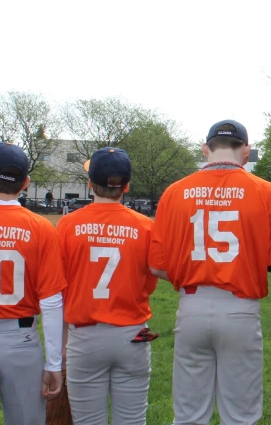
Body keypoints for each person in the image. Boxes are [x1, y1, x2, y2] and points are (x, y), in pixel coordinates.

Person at [148, 120, 271, 425]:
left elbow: (156, 266)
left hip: (191, 305)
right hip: (240, 307)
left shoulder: (175, 192)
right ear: (246, 151)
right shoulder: (266, 191)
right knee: (241, 416)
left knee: (189, 415)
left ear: (206, 149)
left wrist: (191, 271)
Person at [56, 147, 158, 424]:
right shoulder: (145, 226)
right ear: (126, 186)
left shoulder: (67, 225)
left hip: (84, 336)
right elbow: (149, 283)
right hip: (132, 333)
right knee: (133, 419)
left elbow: (59, 288)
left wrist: (60, 344)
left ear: (90, 184)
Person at [0, 142, 66, 422]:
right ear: (25, 183)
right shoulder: (41, 227)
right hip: (20, 339)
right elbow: (52, 301)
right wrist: (54, 362)